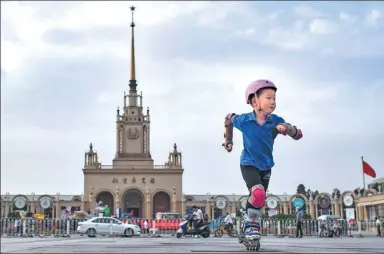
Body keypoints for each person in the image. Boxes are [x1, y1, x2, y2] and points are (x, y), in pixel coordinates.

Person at [223, 79, 303, 241]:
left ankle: (247, 219)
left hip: (266, 166)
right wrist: (228, 140)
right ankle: (252, 225)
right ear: (254, 101)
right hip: (248, 163)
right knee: (257, 192)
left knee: (260, 199)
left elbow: (298, 134)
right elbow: (229, 118)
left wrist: (287, 129)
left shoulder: (275, 121)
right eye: (268, 98)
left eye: (274, 98)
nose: (273, 102)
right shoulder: (244, 120)